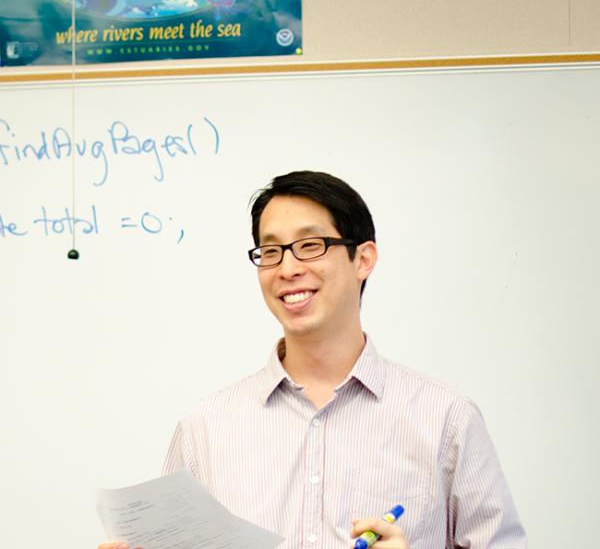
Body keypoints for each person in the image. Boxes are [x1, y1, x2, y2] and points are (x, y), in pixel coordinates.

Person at [99, 171, 527, 549]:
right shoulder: (205, 429)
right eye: (270, 251)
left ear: (363, 258)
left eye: (310, 245)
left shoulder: (445, 417)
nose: (286, 268)